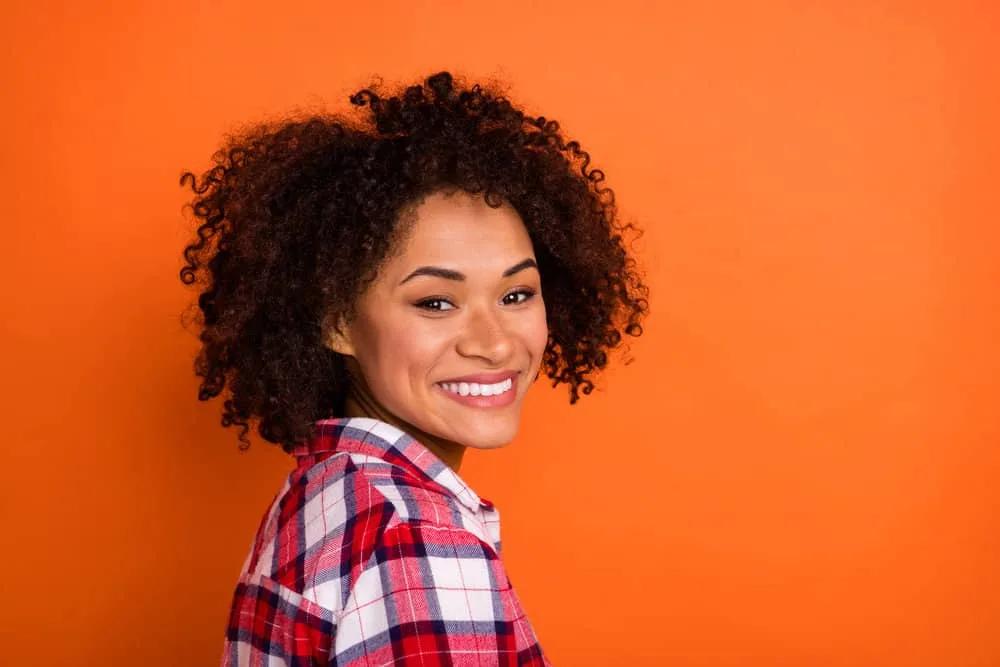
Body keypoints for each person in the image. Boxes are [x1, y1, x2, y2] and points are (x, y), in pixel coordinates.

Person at [179, 70, 648, 666]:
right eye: (435, 302)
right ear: (336, 322)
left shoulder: (330, 490)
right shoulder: (415, 538)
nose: (495, 344)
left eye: (516, 295)